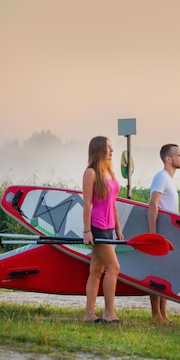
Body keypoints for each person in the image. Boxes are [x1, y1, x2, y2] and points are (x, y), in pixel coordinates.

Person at [82, 136, 123, 324]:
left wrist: (118, 227)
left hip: (108, 227)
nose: (112, 151)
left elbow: (112, 203)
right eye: (108, 147)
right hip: (97, 226)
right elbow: (87, 203)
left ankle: (89, 314)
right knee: (114, 267)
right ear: (99, 149)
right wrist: (87, 231)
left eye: (112, 147)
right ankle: (108, 313)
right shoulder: (91, 173)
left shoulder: (109, 173)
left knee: (97, 270)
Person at [147, 143, 180, 323]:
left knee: (166, 272)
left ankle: (163, 314)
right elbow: (153, 204)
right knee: (157, 271)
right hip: (160, 232)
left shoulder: (169, 179)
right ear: (168, 159)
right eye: (179, 155)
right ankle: (156, 315)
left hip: (169, 232)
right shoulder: (161, 177)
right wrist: (153, 233)